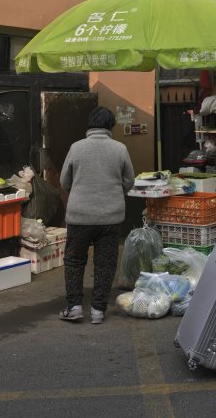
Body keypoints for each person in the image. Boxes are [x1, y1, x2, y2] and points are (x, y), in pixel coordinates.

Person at [59, 106, 135, 324]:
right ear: (111, 126)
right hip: (110, 217)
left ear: (90, 124)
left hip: (79, 216)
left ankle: (74, 307)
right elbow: (129, 181)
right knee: (106, 263)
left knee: (74, 260)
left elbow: (65, 182)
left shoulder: (76, 148)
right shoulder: (120, 149)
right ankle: (98, 311)